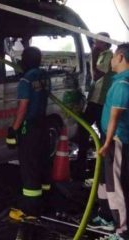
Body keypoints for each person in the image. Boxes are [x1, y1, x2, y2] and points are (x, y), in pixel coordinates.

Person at [90, 43, 129, 240]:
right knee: (106, 182)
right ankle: (106, 216)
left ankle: (122, 231)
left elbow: (115, 117)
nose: (111, 60)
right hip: (111, 139)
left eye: (113, 56)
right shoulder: (119, 80)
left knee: (116, 187)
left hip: (117, 140)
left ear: (121, 58)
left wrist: (106, 144)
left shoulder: (123, 86)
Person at [6, 47, 51, 220]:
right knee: (42, 163)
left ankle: (30, 210)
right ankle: (45, 200)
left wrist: (14, 129)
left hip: (29, 127)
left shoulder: (25, 80)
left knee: (29, 166)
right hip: (43, 124)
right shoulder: (43, 75)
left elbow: (23, 106)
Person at [73, 32, 114, 183]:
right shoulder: (102, 55)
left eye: (98, 42)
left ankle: (88, 164)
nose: (95, 45)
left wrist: (93, 55)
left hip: (100, 101)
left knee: (86, 127)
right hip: (95, 99)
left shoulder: (107, 56)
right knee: (89, 128)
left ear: (105, 44)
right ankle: (90, 162)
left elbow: (97, 75)